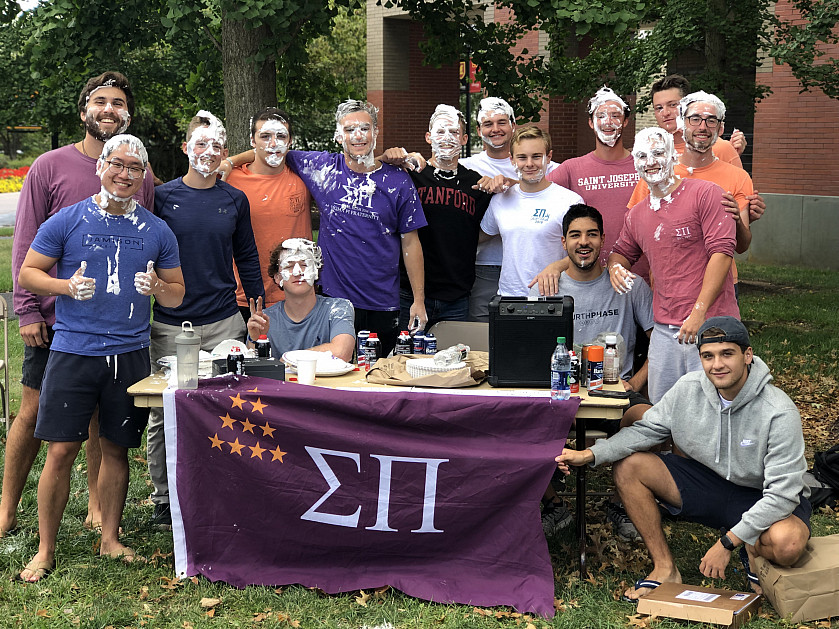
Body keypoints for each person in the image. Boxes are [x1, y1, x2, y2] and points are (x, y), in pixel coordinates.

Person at [16, 135, 184, 581]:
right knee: (62, 450)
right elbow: (29, 272)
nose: (125, 174)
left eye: (135, 167)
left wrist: (159, 291)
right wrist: (65, 286)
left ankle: (110, 538)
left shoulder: (157, 230)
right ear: (101, 166)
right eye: (118, 164)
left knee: (116, 447)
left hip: (129, 352)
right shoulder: (67, 220)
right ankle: (45, 550)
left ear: (144, 176)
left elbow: (177, 289)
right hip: (73, 349)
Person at [556, 317, 811, 601]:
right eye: (708, 356)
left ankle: (750, 548)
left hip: (761, 495)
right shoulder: (689, 388)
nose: (717, 365)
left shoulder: (778, 410)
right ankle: (665, 568)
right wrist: (591, 454)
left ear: (747, 355)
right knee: (630, 466)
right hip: (708, 484)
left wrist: (728, 542)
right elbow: (646, 430)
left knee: (787, 545)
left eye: (727, 354)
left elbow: (783, 494)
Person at [3, 71, 155, 537]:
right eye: (100, 101)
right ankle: (7, 506)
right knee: (32, 412)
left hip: (110, 324)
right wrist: (27, 309)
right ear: (83, 110)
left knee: (98, 419)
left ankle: (95, 502)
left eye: (118, 102)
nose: (108, 109)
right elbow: (27, 241)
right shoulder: (50, 166)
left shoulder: (135, 172)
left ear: (128, 113)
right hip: (52, 320)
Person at [147, 111, 264, 529]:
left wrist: (256, 302)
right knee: (166, 408)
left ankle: (222, 484)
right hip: (170, 325)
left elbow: (247, 255)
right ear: (186, 148)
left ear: (225, 153)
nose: (208, 152)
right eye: (200, 143)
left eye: (217, 146)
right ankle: (163, 496)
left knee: (225, 405)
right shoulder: (161, 198)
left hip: (225, 322)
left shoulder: (234, 200)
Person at [543, 203, 655, 540]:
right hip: (563, 394)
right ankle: (554, 505)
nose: (584, 241)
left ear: (603, 240)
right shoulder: (549, 287)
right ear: (563, 242)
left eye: (592, 234)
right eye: (575, 235)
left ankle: (624, 504)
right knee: (516, 424)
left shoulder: (629, 286)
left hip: (616, 394)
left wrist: (634, 382)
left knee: (651, 422)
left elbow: (661, 341)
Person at [608, 128, 739, 403]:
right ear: (635, 164)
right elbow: (620, 253)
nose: (651, 161)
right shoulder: (638, 214)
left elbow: (723, 253)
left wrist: (698, 312)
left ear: (672, 155)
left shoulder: (706, 193)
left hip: (712, 326)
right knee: (663, 409)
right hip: (665, 332)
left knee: (713, 409)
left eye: (657, 153)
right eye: (643, 156)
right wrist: (614, 268)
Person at [393, 104, 492, 331]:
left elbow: (484, 229)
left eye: (454, 132)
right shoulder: (411, 175)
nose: (447, 138)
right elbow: (372, 168)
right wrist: (395, 157)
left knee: (451, 361)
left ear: (465, 138)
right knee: (406, 360)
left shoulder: (476, 184)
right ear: (428, 137)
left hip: (456, 296)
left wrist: (502, 182)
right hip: (411, 293)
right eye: (440, 132)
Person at [460, 98, 558, 321]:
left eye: (502, 122)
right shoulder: (467, 167)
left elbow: (555, 197)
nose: (495, 129)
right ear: (478, 130)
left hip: (536, 265)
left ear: (514, 125)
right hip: (484, 264)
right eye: (488, 124)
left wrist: (512, 185)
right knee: (483, 332)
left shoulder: (548, 167)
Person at [225, 107, 313, 321]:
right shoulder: (229, 179)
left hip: (296, 296)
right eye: (265, 136)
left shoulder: (306, 175)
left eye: (281, 136)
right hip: (243, 299)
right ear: (252, 141)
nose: (273, 144)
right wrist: (229, 162)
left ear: (290, 141)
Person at [479, 125, 583, 297]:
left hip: (554, 297)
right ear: (512, 160)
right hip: (508, 297)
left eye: (536, 157)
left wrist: (556, 266)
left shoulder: (570, 201)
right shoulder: (500, 200)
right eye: (522, 157)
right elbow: (478, 237)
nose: (529, 164)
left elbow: (584, 250)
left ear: (548, 157)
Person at [245, 239, 355, 361]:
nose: (298, 272)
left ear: (316, 271)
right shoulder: (265, 319)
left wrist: (290, 358)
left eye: (304, 265)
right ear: (277, 277)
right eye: (289, 266)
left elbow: (342, 352)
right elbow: (253, 368)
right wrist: (254, 340)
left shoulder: (338, 309)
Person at [650, 74, 745, 166]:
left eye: (673, 105)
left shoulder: (721, 148)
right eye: (659, 108)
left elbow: (736, 180)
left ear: (687, 106)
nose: (665, 113)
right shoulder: (648, 152)